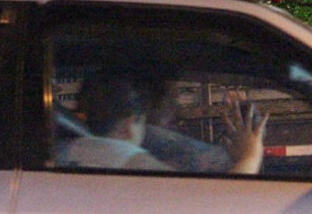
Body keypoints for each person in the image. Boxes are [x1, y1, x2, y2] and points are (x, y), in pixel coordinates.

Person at [55, 73, 267, 174]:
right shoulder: (129, 160)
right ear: (131, 123)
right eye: (143, 124)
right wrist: (250, 156)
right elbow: (215, 207)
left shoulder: (64, 149)